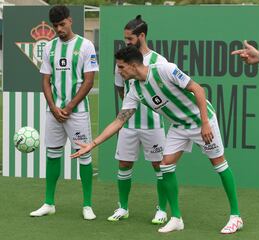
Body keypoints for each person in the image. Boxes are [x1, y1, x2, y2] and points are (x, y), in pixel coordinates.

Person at [71, 46, 243, 234]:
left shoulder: (164, 69)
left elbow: (198, 89)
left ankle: (236, 216)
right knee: (166, 165)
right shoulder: (135, 90)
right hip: (179, 126)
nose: (119, 72)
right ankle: (176, 218)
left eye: (121, 67)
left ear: (133, 65)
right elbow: (119, 121)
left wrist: (205, 123)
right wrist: (92, 144)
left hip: (202, 120)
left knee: (219, 164)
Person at [30, 5, 99, 220]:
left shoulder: (86, 46)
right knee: (52, 155)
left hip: (77, 113)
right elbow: (45, 80)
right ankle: (49, 202)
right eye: (55, 26)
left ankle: (87, 205)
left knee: (84, 156)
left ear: (70, 21)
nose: (59, 29)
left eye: (62, 24)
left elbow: (89, 81)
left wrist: (69, 107)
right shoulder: (49, 48)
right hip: (54, 112)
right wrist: (53, 107)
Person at [107, 15, 168, 224]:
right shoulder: (122, 60)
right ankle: (122, 208)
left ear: (141, 36)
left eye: (130, 38)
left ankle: (162, 210)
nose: (127, 42)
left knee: (160, 167)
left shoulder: (159, 61)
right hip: (129, 125)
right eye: (125, 39)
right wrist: (129, 103)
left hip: (154, 126)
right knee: (124, 165)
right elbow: (118, 86)